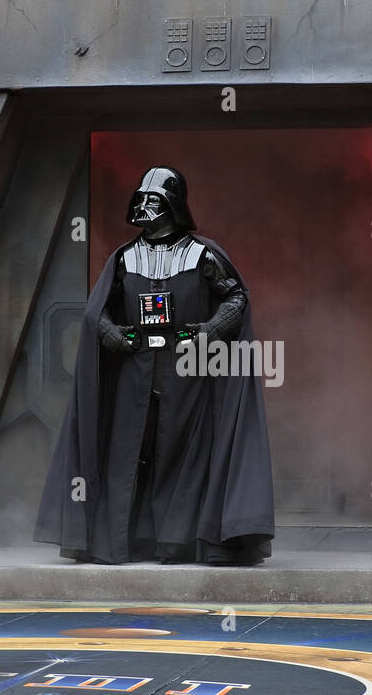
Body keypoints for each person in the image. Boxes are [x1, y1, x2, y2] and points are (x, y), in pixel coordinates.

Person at [36, 166, 273, 565]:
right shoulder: (125, 258)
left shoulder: (203, 254)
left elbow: (236, 298)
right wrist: (112, 334)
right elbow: (99, 312)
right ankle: (128, 540)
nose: (145, 206)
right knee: (128, 453)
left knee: (186, 453)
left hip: (189, 372)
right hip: (134, 371)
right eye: (142, 198)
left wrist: (209, 332)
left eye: (155, 199)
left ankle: (179, 541)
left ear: (173, 204)